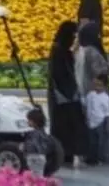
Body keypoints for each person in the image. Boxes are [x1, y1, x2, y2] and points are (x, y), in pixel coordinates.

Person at [46, 20, 84, 164]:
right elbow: (60, 75)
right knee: (65, 127)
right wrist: (70, 93)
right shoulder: (59, 51)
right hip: (62, 96)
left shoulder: (60, 49)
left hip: (63, 96)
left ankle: (66, 155)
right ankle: (64, 155)